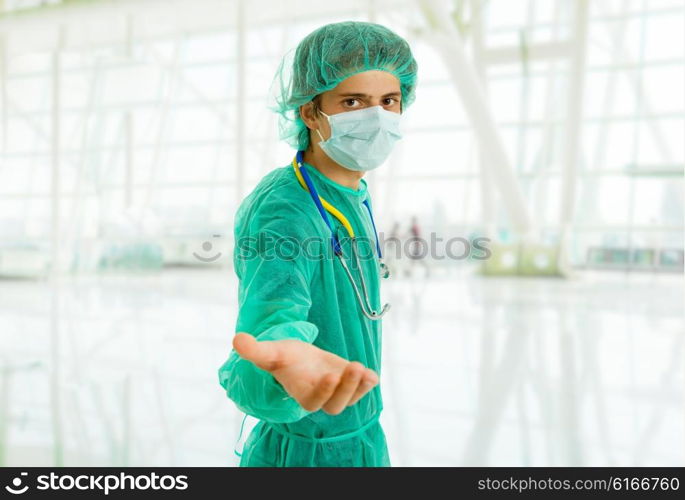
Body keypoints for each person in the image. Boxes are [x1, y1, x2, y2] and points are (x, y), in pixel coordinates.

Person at [217, 21, 418, 467]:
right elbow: (272, 325)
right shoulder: (285, 211)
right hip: (308, 453)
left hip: (362, 436)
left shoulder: (350, 192)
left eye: (389, 101)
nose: (377, 117)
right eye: (353, 102)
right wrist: (283, 365)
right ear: (310, 113)